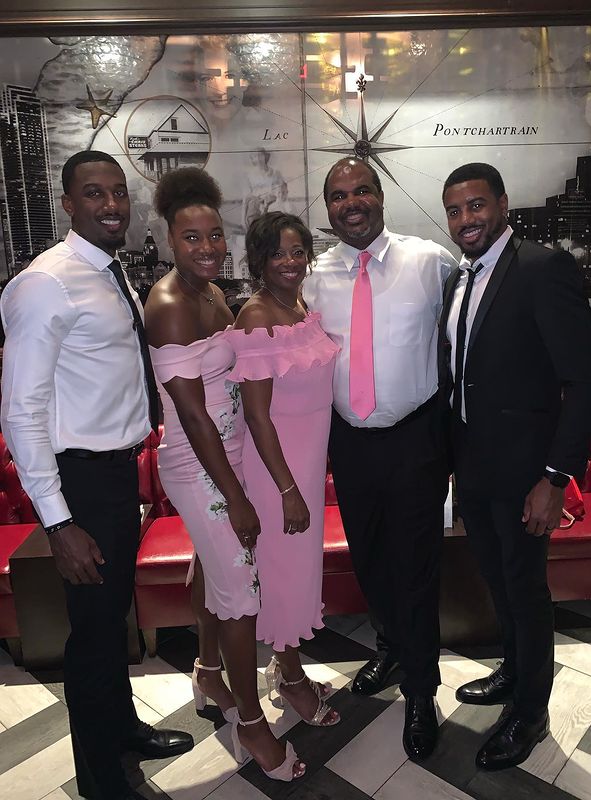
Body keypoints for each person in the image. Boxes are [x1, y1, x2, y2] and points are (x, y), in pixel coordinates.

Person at [0, 150, 193, 800]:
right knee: (91, 635)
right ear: (67, 204)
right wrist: (58, 522)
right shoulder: (46, 283)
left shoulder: (108, 273)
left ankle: (124, 732)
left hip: (115, 477)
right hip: (79, 484)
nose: (111, 205)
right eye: (93, 194)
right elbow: (21, 409)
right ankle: (101, 779)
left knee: (113, 622)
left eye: (117, 193)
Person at [439, 162, 591, 770]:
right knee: (499, 585)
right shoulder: (461, 280)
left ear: (503, 204)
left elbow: (585, 381)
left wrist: (555, 478)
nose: (466, 220)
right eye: (455, 210)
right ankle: (513, 675)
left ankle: (531, 713)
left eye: (477, 206)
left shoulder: (540, 268)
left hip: (527, 476)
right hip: (475, 471)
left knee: (526, 591)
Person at [144, 168, 304, 782]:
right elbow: (191, 415)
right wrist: (236, 498)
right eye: (192, 238)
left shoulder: (212, 293)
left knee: (212, 569)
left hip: (231, 451)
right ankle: (251, 722)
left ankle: (208, 673)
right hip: (198, 463)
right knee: (241, 596)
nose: (207, 247)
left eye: (214, 235)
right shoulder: (169, 305)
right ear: (170, 240)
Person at [303, 157, 458, 761]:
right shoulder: (314, 276)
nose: (351, 203)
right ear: (329, 207)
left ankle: (422, 692)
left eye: (361, 190)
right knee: (368, 557)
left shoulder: (430, 261)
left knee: (417, 568)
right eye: (338, 196)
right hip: (349, 442)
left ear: (380, 196)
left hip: (416, 438)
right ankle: (392, 647)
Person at [227, 211, 340, 728]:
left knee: (298, 568)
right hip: (279, 471)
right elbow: (255, 414)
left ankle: (286, 661)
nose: (290, 262)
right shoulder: (256, 317)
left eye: (298, 251)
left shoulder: (299, 304)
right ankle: (290, 676)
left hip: (306, 461)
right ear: (259, 260)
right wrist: (289, 488)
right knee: (284, 572)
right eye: (278, 253)